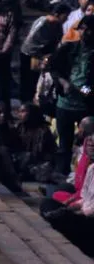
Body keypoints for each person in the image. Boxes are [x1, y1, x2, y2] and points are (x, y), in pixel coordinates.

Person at [49, 15, 94, 175]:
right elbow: (53, 68)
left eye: (89, 30)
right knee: (64, 145)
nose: (85, 33)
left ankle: (82, 177)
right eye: (82, 29)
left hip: (86, 105)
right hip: (65, 103)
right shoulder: (69, 48)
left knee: (88, 144)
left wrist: (87, 91)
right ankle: (61, 176)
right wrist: (63, 82)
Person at [20, 0, 68, 104]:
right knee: (29, 84)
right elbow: (29, 43)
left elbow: (57, 41)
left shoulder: (58, 25)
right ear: (57, 14)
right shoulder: (42, 22)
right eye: (65, 15)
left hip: (46, 58)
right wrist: (42, 56)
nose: (67, 18)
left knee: (42, 85)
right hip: (31, 55)